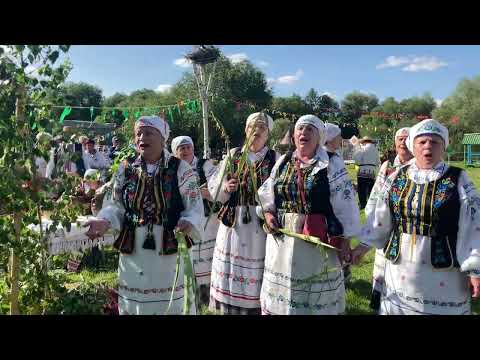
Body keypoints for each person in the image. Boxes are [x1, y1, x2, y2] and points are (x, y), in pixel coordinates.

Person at [352, 119, 480, 315]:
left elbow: (473, 224)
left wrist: (474, 269)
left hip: (443, 271)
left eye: (434, 142)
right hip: (400, 265)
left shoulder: (458, 178)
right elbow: (381, 216)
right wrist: (363, 246)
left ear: (443, 147)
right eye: (422, 142)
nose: (428, 146)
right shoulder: (396, 176)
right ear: (414, 146)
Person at [84, 115, 205, 315]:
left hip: (168, 249)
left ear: (162, 138)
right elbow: (115, 205)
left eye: (148, 133)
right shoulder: (125, 168)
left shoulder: (180, 168)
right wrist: (104, 221)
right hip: (135, 249)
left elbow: (194, 206)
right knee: (136, 302)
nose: (142, 138)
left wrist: (188, 221)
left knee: (169, 303)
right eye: (138, 134)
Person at [257, 115, 356, 315]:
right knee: (284, 288)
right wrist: (268, 214)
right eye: (300, 129)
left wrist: (345, 238)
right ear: (294, 136)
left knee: (314, 291)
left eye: (310, 129)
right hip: (283, 238)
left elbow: (345, 203)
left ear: (319, 137)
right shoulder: (284, 161)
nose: (304, 133)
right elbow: (266, 194)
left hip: (317, 239)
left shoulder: (331, 164)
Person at [208, 112, 279, 315]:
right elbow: (215, 187)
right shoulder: (233, 155)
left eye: (261, 128)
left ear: (268, 134)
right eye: (252, 127)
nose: (256, 131)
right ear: (246, 130)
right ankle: (229, 306)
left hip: (258, 224)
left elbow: (279, 191)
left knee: (257, 265)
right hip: (233, 222)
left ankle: (255, 306)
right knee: (231, 268)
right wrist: (226, 187)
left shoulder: (275, 158)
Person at [365, 127, 413, 313]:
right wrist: (371, 221)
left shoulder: (421, 167)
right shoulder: (387, 166)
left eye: (406, 139)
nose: (402, 142)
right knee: (382, 268)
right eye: (399, 139)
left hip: (407, 229)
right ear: (395, 143)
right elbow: (376, 195)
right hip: (384, 227)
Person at [171, 135, 219, 306]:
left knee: (209, 259)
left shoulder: (204, 165)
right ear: (174, 152)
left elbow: (216, 186)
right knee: (190, 260)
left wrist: (206, 192)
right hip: (184, 222)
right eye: (181, 148)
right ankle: (191, 298)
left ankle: (209, 298)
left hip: (208, 221)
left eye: (187, 147)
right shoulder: (172, 169)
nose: (185, 151)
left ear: (193, 149)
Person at [323, 123, 361, 283]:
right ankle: (335, 279)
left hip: (345, 208)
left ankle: (342, 273)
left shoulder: (336, 156)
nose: (341, 139)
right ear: (330, 138)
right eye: (339, 136)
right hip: (334, 215)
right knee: (334, 251)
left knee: (342, 248)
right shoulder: (324, 159)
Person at [353, 136, 380, 209]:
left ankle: (363, 204)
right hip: (372, 171)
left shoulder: (362, 149)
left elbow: (356, 160)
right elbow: (378, 162)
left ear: (364, 142)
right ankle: (371, 204)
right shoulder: (375, 149)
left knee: (361, 189)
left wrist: (357, 149)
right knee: (370, 189)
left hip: (363, 171)